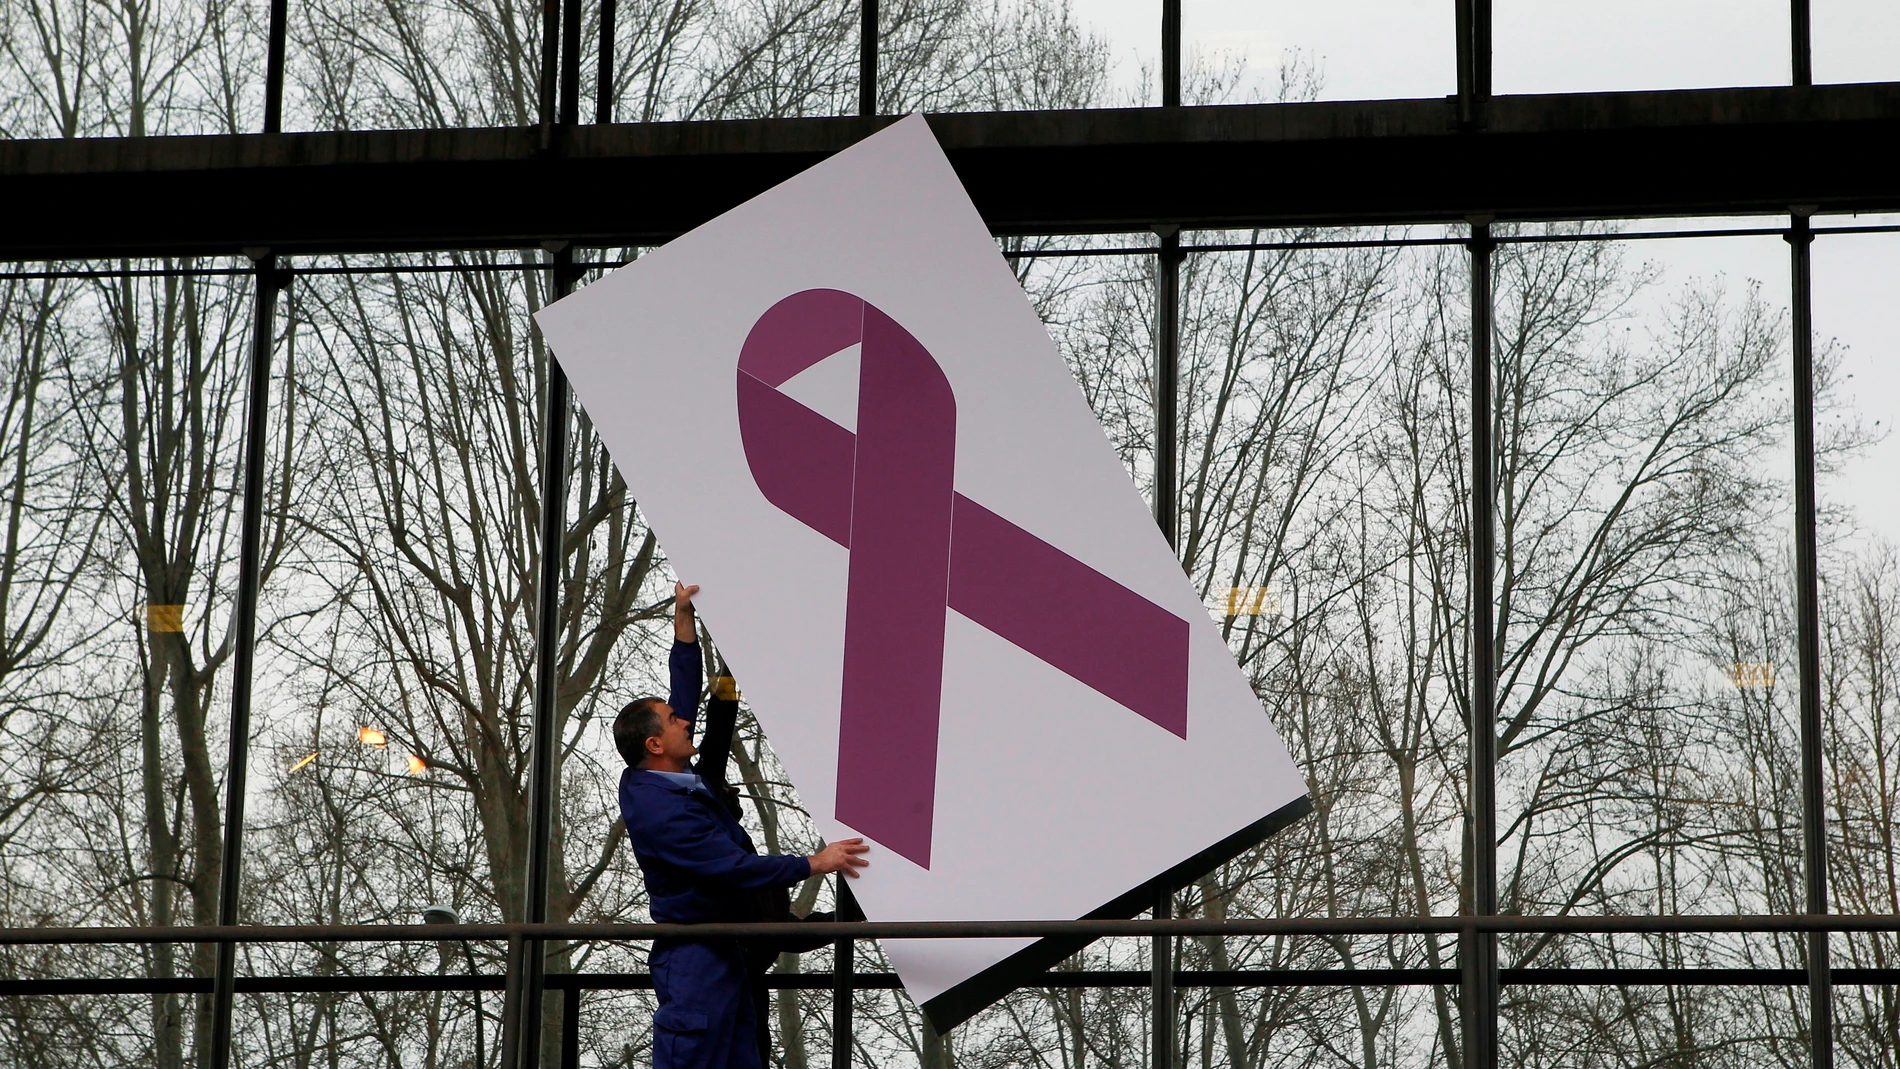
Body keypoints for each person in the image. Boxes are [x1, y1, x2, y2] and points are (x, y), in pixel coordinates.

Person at [616, 582, 869, 1069]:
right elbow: (732, 867)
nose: (683, 722)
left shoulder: (667, 775)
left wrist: (684, 627)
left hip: (728, 952)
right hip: (697, 956)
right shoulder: (663, 811)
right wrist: (815, 863)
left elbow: (686, 698)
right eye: (673, 721)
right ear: (654, 745)